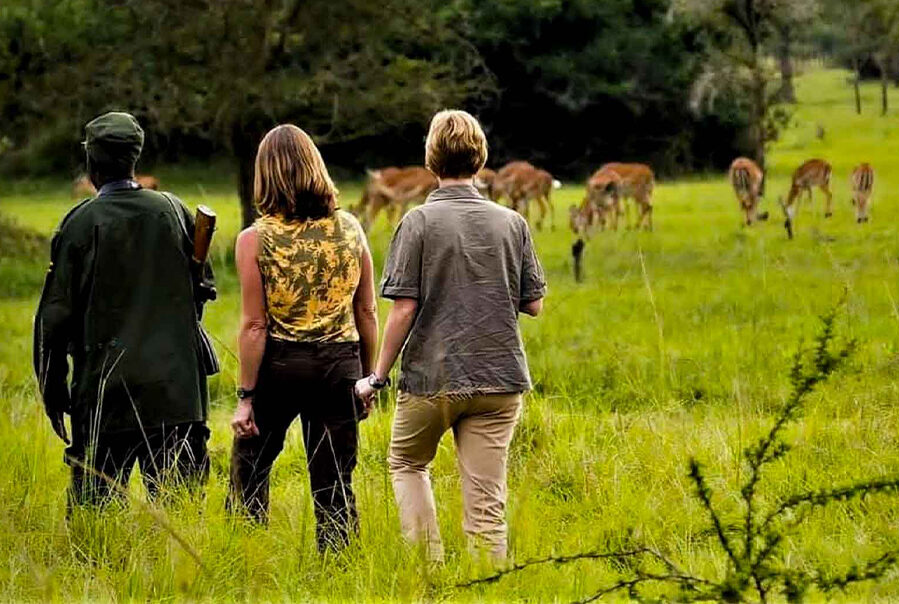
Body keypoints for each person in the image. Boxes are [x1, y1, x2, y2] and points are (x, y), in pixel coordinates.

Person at [355, 109, 546, 563]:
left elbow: (403, 308)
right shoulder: (512, 223)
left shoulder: (418, 223)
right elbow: (533, 304)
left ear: (431, 159)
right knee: (487, 504)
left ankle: (429, 571)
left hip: (432, 378)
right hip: (499, 379)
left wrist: (376, 378)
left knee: (406, 463)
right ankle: (488, 587)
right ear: (481, 159)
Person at [34, 111, 214, 508]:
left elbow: (54, 320)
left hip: (105, 395)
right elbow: (204, 290)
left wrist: (52, 392)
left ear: (91, 163)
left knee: (95, 519)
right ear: (136, 157)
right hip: (176, 395)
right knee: (180, 519)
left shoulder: (79, 224)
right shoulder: (176, 211)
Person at [228, 124, 378, 551]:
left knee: (250, 465)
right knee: (334, 480)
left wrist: (245, 396)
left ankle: (245, 555)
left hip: (281, 364)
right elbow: (365, 310)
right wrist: (368, 379)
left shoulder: (254, 239)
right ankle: (339, 571)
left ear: (266, 176)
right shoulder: (351, 228)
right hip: (340, 365)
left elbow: (255, 325)